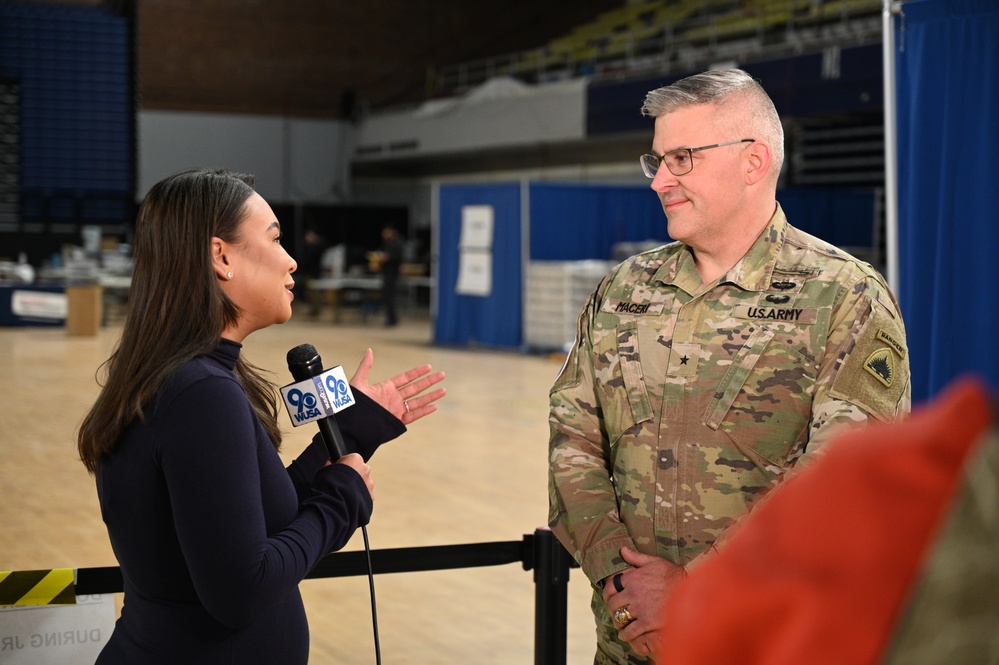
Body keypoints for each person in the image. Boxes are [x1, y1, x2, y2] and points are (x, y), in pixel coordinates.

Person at [547, 68, 911, 664]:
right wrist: (626, 589)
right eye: (657, 160)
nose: (661, 180)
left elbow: (844, 483)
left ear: (754, 161)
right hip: (630, 645)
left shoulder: (842, 295)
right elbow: (573, 441)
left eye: (683, 158)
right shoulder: (624, 290)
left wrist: (695, 591)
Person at [76, 168, 446, 664]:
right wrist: (343, 501)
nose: (292, 261)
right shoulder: (202, 395)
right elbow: (240, 590)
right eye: (274, 239)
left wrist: (352, 430)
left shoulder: (183, 379)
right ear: (220, 257)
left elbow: (257, 522)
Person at [372, 224, 404, 326]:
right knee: (386, 296)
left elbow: (397, 257)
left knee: (390, 297)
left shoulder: (397, 243)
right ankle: (390, 318)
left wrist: (387, 257)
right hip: (386, 273)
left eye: (386, 233)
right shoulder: (386, 243)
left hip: (392, 274)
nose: (384, 235)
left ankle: (392, 319)